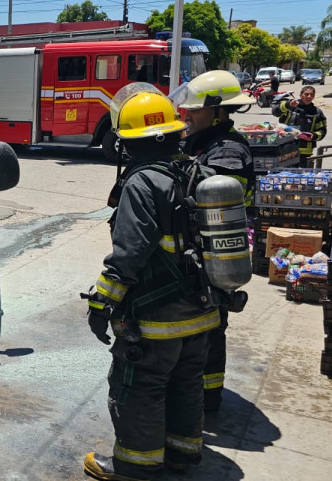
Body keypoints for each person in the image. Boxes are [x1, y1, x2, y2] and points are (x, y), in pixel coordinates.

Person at [83, 85, 221, 481]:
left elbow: (129, 254)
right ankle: (183, 455)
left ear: (129, 143)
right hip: (203, 312)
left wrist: (102, 303)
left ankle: (135, 466)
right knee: (185, 384)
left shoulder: (142, 183)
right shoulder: (200, 172)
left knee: (140, 388)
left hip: (156, 319)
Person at [174, 70, 256, 412]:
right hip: (203, 251)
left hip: (215, 254)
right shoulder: (210, 144)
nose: (187, 115)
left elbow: (212, 192)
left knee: (210, 329)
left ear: (219, 112)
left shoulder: (228, 152)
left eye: (194, 110)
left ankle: (208, 398)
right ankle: (201, 394)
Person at [276, 86, 327, 168]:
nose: (309, 97)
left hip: (305, 153)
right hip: (286, 149)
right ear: (300, 95)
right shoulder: (291, 107)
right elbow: (276, 111)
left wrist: (313, 135)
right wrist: (287, 104)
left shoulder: (317, 112)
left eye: (311, 95)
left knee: (303, 178)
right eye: (306, 94)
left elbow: (322, 131)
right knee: (285, 176)